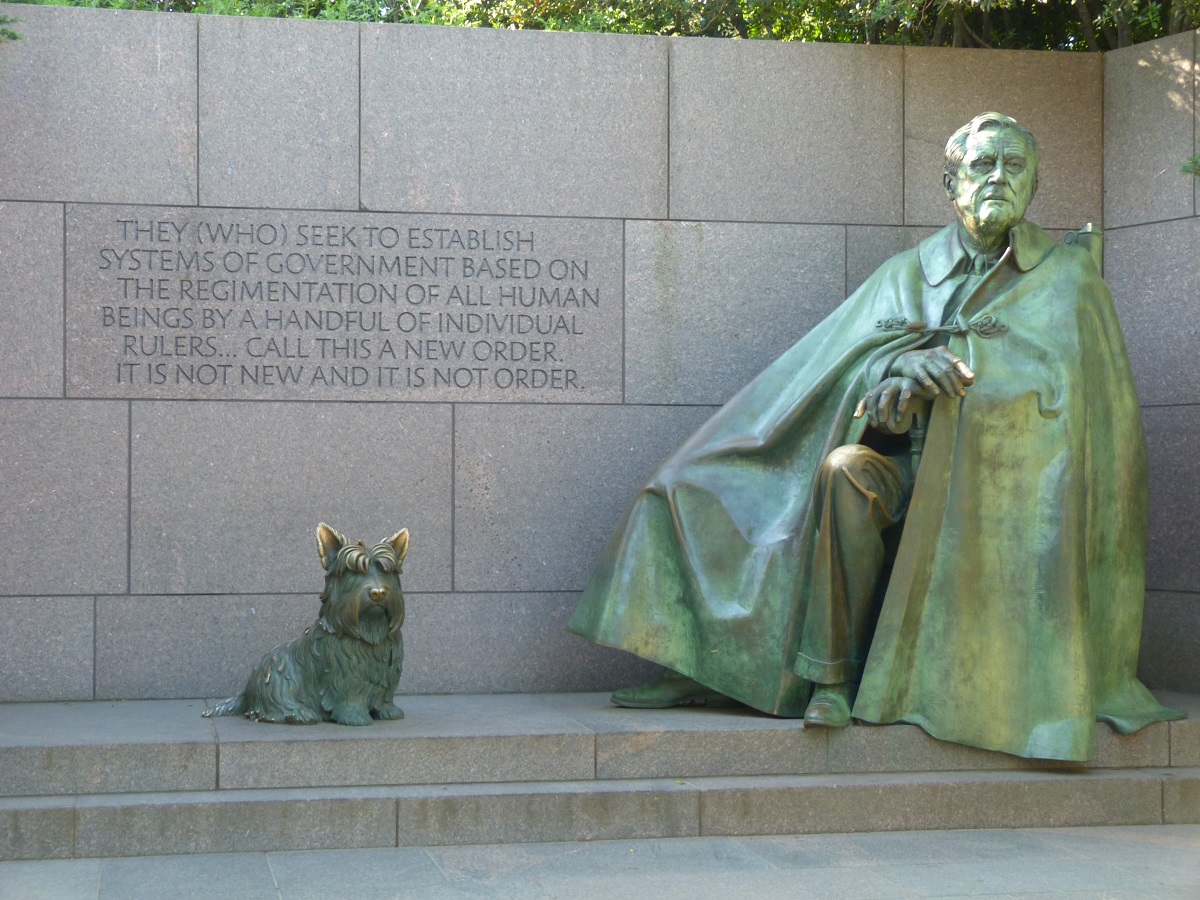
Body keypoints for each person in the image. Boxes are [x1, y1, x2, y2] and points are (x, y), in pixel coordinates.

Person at [567, 112, 1183, 762]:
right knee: (807, 473)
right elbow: (835, 366)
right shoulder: (908, 272)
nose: (998, 177)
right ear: (952, 181)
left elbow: (1080, 412)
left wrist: (966, 378)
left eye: (1014, 166)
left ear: (1034, 183)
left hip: (1001, 490)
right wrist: (891, 368)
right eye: (982, 165)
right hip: (902, 468)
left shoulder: (1067, 280)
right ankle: (794, 672)